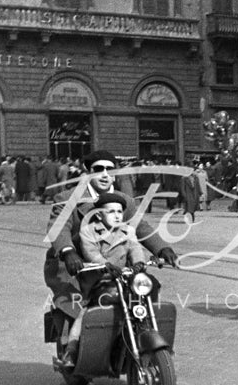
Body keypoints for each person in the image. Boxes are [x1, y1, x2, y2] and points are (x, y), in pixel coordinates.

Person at [44, 150, 178, 356]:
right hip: (75, 265)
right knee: (77, 304)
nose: (105, 174)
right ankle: (70, 347)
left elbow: (140, 227)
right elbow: (58, 227)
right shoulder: (67, 198)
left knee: (142, 291)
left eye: (110, 169)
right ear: (87, 173)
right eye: (99, 169)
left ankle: (138, 333)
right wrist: (67, 250)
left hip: (114, 263)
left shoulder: (123, 200)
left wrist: (162, 248)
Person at [60, 191, 148, 368]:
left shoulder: (128, 230)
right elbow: (90, 252)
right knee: (84, 313)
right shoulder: (88, 232)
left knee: (144, 300)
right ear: (99, 215)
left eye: (119, 212)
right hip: (99, 280)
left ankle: (148, 339)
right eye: (111, 212)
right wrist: (105, 264)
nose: (116, 216)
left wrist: (139, 263)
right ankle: (72, 349)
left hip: (124, 278)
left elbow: (135, 248)